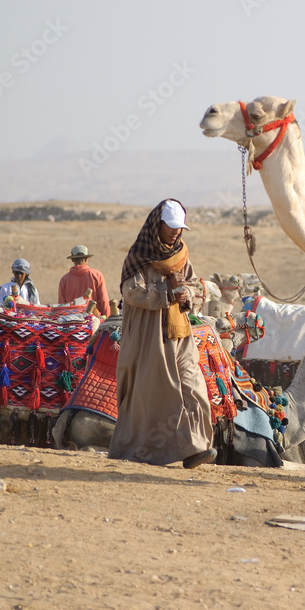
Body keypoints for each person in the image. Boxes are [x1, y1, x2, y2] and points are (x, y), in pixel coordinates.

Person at [108, 199, 216, 469]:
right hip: (149, 336)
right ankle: (144, 450)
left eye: (180, 228)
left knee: (194, 388)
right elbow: (131, 292)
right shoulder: (138, 257)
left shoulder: (181, 255)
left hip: (179, 334)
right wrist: (165, 294)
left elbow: (193, 285)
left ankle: (197, 446)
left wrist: (187, 294)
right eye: (172, 227)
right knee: (154, 395)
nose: (176, 232)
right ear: (158, 225)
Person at [58, 245, 110, 316]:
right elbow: (104, 301)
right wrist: (108, 319)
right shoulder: (97, 275)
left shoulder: (64, 280)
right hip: (93, 321)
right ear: (86, 259)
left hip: (70, 322)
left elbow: (61, 307)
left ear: (72, 260)